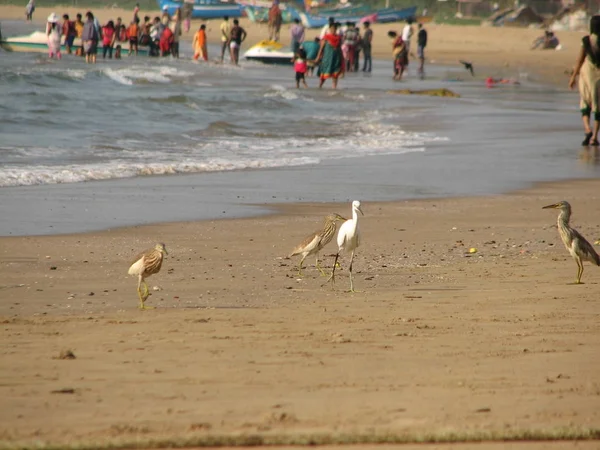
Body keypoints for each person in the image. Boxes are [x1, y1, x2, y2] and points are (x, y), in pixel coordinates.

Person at [569, 15, 600, 146]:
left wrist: (573, 76)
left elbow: (579, 60)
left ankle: (587, 129)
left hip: (586, 74)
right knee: (598, 106)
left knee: (585, 102)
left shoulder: (586, 40)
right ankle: (594, 137)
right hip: (598, 77)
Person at [316, 22, 343, 89]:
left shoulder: (338, 38)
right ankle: (320, 86)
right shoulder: (326, 37)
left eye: (335, 29)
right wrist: (318, 57)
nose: (333, 30)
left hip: (336, 58)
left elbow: (340, 49)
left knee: (335, 74)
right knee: (324, 74)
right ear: (330, 29)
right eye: (332, 28)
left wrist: (342, 58)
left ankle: (334, 88)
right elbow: (321, 48)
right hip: (327, 59)